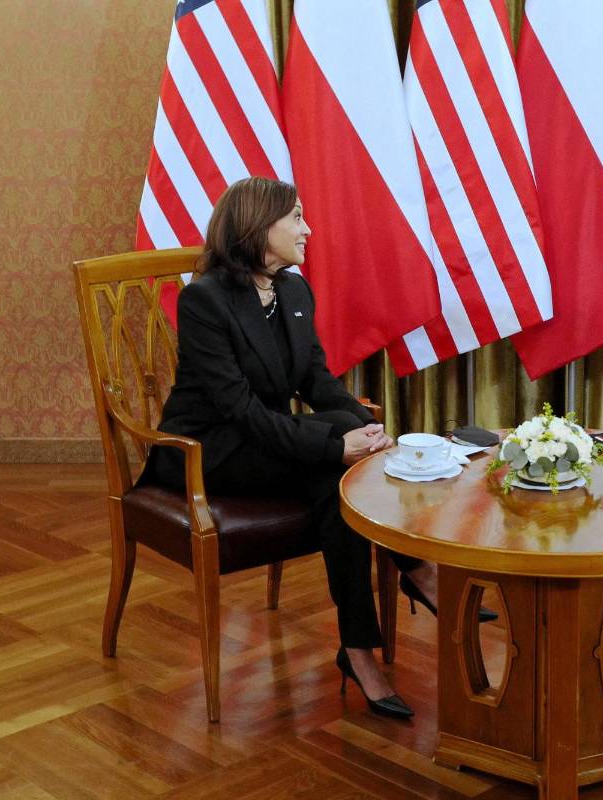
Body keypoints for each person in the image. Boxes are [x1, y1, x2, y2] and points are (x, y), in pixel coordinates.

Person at [145, 176, 439, 719]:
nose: (309, 229)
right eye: (297, 218)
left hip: (263, 435)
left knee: (350, 462)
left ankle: (361, 644)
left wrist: (367, 430)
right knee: (335, 471)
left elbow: (317, 382)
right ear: (260, 227)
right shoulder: (204, 301)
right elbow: (241, 412)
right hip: (207, 448)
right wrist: (334, 446)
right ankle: (413, 577)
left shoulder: (295, 289)